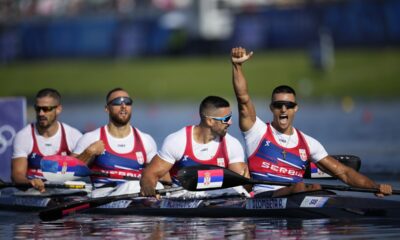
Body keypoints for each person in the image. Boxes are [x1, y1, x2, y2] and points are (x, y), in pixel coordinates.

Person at [230, 47, 392, 197]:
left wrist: (375, 187)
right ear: (272, 108)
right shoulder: (256, 131)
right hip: (264, 197)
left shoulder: (309, 143)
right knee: (304, 187)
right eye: (279, 105)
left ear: (296, 108)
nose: (284, 109)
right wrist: (237, 67)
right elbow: (243, 98)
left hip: (297, 197)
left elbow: (344, 173)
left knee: (318, 189)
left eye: (289, 105)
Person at [140, 95, 249, 197]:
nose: (230, 122)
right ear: (210, 121)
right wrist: (149, 188)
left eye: (230, 117)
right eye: (226, 119)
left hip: (217, 198)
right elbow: (150, 174)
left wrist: (247, 182)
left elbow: (242, 186)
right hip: (182, 197)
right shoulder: (177, 141)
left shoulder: (232, 144)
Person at [72, 87, 158, 196]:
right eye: (117, 102)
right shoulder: (91, 138)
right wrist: (89, 152)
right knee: (131, 186)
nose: (123, 106)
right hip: (103, 196)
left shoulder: (146, 140)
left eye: (127, 102)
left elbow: (161, 176)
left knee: (155, 186)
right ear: (107, 108)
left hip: (136, 196)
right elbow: (68, 172)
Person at [11, 88, 82, 192]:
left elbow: (81, 169)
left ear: (58, 109)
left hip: (63, 191)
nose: (41, 113)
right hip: (33, 191)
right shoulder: (23, 136)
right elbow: (17, 175)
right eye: (37, 108)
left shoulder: (74, 135)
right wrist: (30, 183)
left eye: (46, 109)